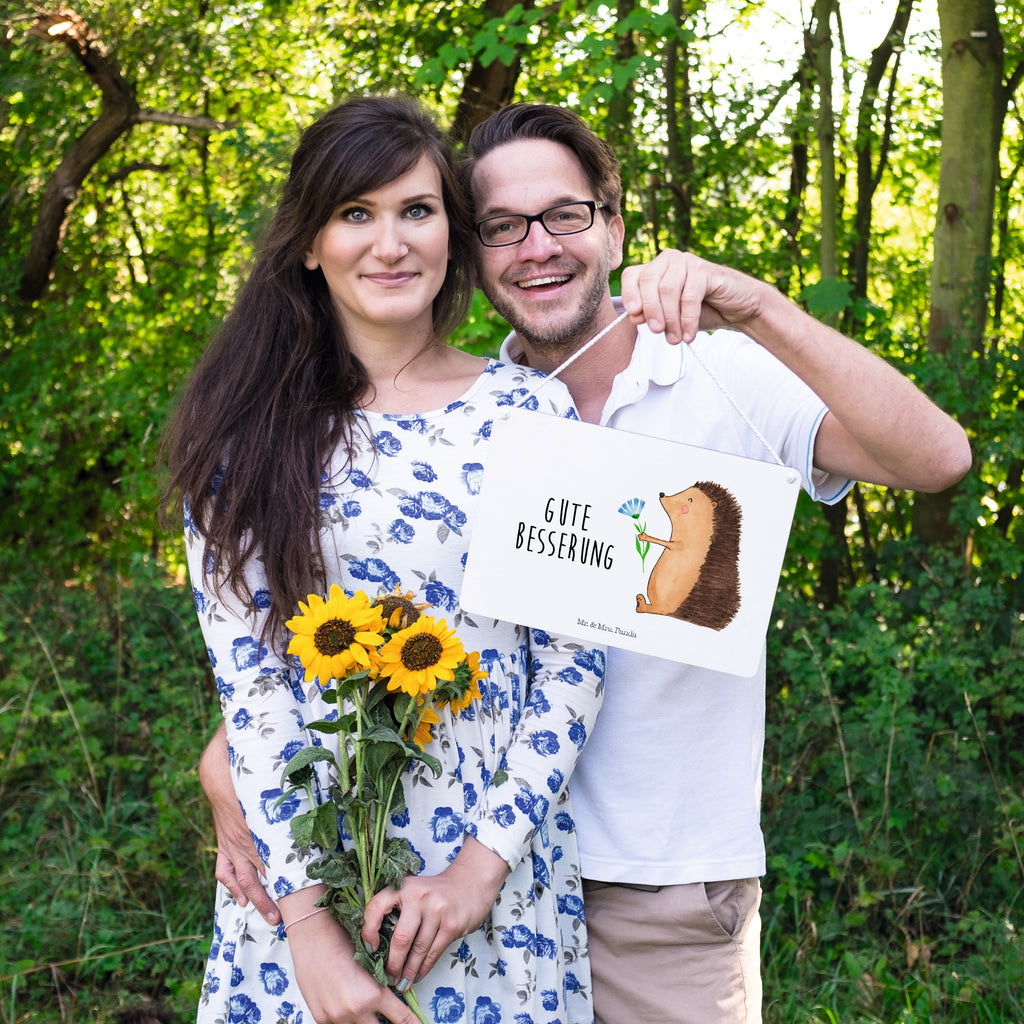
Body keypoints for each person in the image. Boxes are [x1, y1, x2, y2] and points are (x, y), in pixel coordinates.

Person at [202, 102, 972, 1024]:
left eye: (565, 215)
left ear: (612, 225)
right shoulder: (461, 417)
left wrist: (759, 306)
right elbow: (329, 635)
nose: (537, 247)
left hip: (650, 887)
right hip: (423, 875)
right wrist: (234, 770)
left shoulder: (710, 373)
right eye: (502, 226)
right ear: (474, 250)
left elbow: (937, 461)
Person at [163, 96, 607, 1024]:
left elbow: (574, 661)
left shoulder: (533, 416)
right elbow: (253, 690)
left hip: (492, 888)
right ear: (309, 244)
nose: (390, 243)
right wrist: (311, 937)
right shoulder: (244, 437)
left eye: (417, 210)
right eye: (355, 214)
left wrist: (478, 874)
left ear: (452, 230)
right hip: (301, 887)